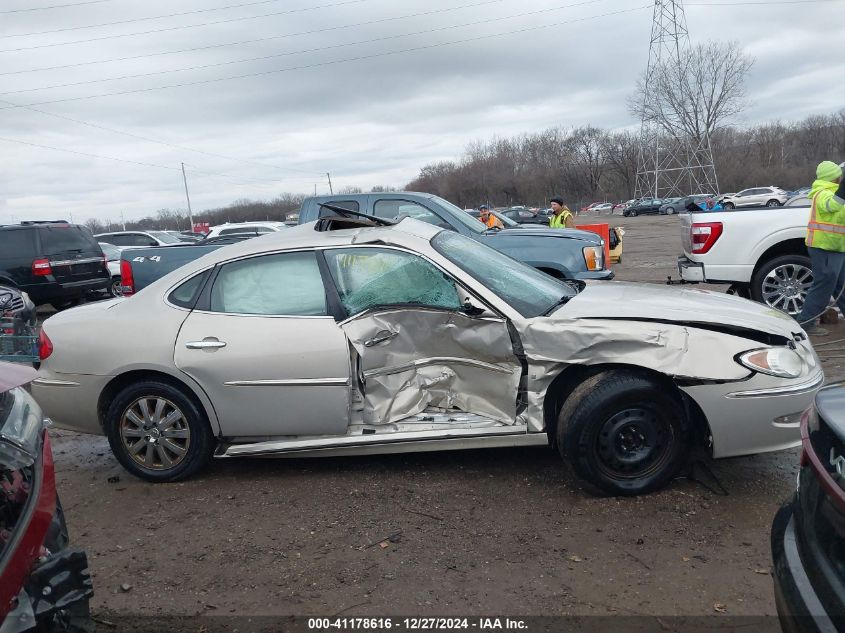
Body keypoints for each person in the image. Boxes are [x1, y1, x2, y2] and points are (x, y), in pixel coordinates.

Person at [793, 161, 845, 336]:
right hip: (824, 247)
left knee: (841, 285)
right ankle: (806, 323)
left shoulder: (833, 192)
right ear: (834, 177)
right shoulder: (822, 193)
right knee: (824, 285)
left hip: (837, 247)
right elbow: (833, 206)